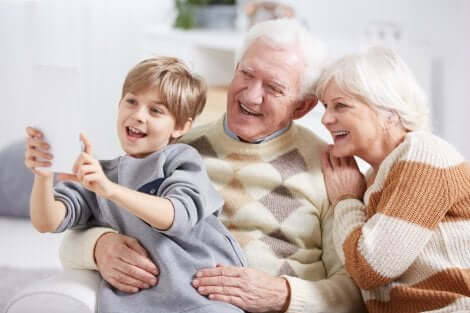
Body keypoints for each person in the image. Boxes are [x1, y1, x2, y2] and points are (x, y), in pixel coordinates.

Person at [59, 19, 365, 313]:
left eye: (273, 87)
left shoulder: (330, 168)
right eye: (246, 74)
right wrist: (98, 246)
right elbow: (82, 219)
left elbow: (355, 290)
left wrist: (281, 295)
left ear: (302, 106)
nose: (251, 94)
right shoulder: (175, 149)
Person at [24, 56, 246, 313]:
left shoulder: (179, 159)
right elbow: (46, 222)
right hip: (139, 305)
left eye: (156, 110)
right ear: (119, 106)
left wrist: (110, 190)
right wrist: (42, 175)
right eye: (131, 102)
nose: (138, 115)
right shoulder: (100, 175)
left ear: (181, 126)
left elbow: (178, 216)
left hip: (205, 298)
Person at [316, 46, 470, 312]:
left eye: (340, 105)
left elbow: (369, 269)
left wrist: (345, 200)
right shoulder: (372, 178)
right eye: (326, 107)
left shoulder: (423, 154)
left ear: (388, 112)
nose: (325, 119)